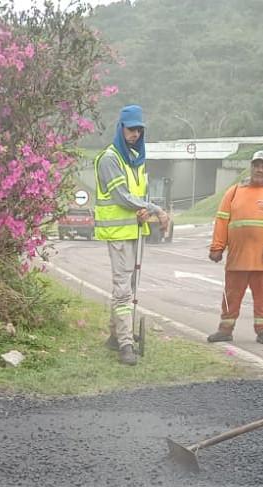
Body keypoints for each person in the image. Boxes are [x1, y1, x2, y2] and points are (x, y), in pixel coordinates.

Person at [94, 104, 170, 366]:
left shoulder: (135, 159)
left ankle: (115, 336)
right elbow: (123, 196)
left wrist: (143, 212)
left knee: (129, 287)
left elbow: (137, 197)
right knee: (123, 290)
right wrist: (155, 209)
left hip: (134, 230)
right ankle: (126, 344)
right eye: (131, 129)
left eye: (139, 129)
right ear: (121, 128)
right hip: (117, 232)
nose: (135, 134)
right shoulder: (110, 159)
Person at [207, 150, 263, 345]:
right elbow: (222, 221)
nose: (259, 169)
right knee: (231, 294)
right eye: (256, 165)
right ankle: (225, 329)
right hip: (237, 257)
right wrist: (217, 247)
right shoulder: (233, 192)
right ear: (251, 167)